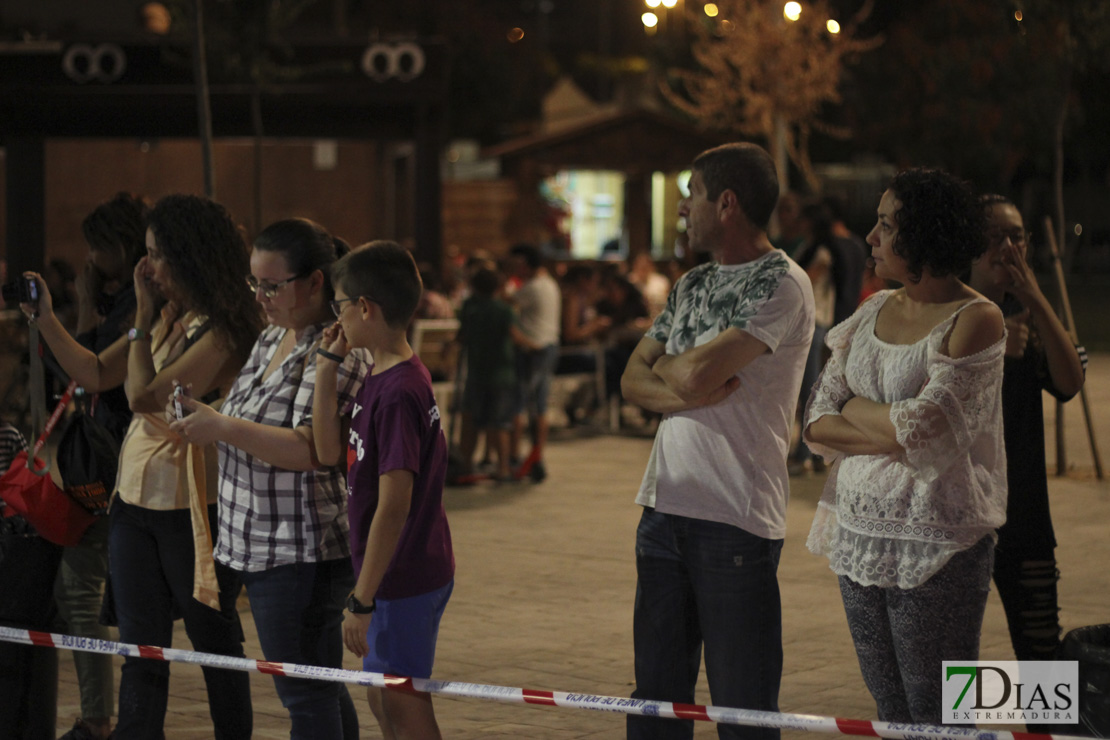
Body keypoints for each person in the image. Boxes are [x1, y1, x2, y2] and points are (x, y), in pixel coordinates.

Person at [23, 193, 261, 739]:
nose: (146, 267)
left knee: (215, 644)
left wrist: (142, 322)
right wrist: (44, 320)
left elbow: (144, 395)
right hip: (133, 501)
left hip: (191, 507)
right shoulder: (166, 317)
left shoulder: (223, 327)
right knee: (141, 648)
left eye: (155, 254)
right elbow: (92, 371)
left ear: (189, 256)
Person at [621, 142, 815, 740]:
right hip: (663, 513)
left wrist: (678, 372)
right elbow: (632, 379)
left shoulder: (783, 283)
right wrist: (689, 383)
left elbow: (693, 373)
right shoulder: (691, 283)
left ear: (726, 203)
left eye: (691, 197)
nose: (682, 211)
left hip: (735, 520)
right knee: (655, 702)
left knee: (744, 710)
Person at [803, 168, 1006, 724]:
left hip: (936, 540)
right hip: (858, 531)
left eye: (886, 225)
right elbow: (816, 420)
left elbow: (931, 428)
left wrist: (858, 410)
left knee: (939, 711)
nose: (871, 237)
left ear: (924, 236)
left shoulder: (977, 319)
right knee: (889, 708)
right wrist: (891, 424)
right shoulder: (871, 311)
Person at [167, 218, 369, 738]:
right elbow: (248, 416)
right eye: (253, 283)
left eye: (272, 285)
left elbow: (311, 450)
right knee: (315, 686)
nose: (259, 296)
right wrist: (203, 413)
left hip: (300, 548)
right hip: (256, 541)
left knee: (304, 692)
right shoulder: (272, 337)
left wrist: (220, 425)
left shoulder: (340, 348)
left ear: (316, 281)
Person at [313, 241, 454, 740]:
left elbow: (394, 506)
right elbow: (329, 449)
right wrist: (326, 367)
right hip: (392, 570)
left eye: (340, 305)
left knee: (402, 702)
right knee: (382, 697)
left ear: (365, 307)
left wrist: (362, 600)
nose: (338, 317)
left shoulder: (398, 391)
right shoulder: (381, 371)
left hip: (404, 574)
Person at [967, 194, 1086, 661]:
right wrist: (994, 349)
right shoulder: (951, 308)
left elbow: (1070, 382)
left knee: (1043, 662)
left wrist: (1035, 297)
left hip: (1025, 518)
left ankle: (1042, 734)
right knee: (953, 658)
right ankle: (968, 725)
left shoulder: (1030, 314)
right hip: (963, 521)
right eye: (995, 236)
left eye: (1017, 236)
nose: (1008, 247)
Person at [57, 192, 150, 740]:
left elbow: (93, 373)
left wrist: (47, 318)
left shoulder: (142, 308)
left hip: (125, 465)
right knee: (79, 587)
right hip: (105, 460)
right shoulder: (120, 302)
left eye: (99, 246)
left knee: (102, 595)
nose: (91, 256)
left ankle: (103, 720)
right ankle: (99, 717)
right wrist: (88, 305)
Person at [455, 266, 534, 482]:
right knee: (499, 422)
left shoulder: (469, 308)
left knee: (470, 419)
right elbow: (515, 336)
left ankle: (466, 464)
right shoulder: (503, 310)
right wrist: (534, 346)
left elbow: (461, 336)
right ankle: (503, 468)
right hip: (502, 373)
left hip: (476, 373)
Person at [508, 243, 561, 481]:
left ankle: (514, 456)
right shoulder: (550, 284)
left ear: (525, 263)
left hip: (531, 349)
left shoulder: (531, 288)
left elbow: (505, 302)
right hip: (549, 347)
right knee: (540, 405)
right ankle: (537, 455)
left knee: (519, 403)